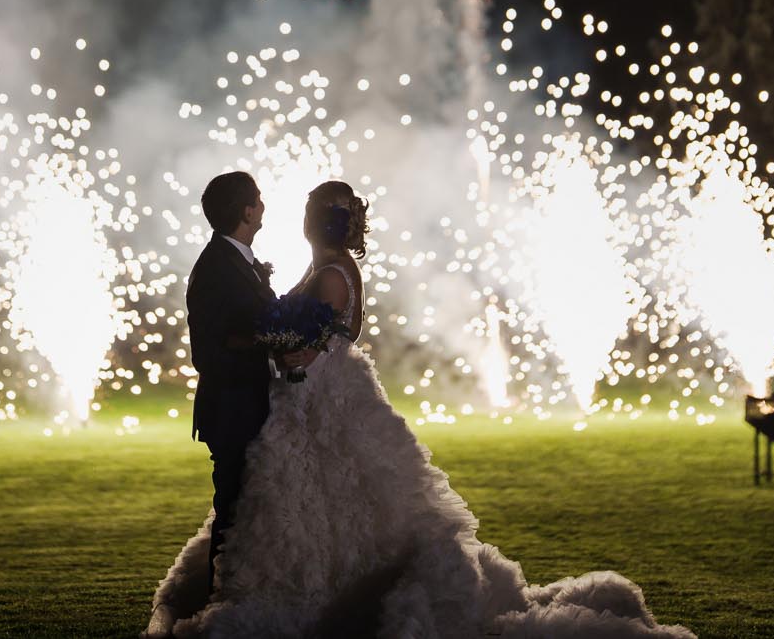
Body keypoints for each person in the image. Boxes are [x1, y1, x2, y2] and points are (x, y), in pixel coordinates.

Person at [148, 180, 693, 639]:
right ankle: (268, 584)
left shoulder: (335, 274)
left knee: (332, 497)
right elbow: (293, 327)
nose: (292, 218)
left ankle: (312, 591)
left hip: (325, 393)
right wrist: (284, 344)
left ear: (321, 224)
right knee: (301, 498)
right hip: (301, 395)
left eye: (309, 215)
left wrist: (298, 347)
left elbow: (322, 334)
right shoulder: (311, 267)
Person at [183, 170, 279, 599]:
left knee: (252, 509)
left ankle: (246, 596)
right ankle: (221, 604)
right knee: (234, 511)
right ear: (245, 210)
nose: (263, 207)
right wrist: (268, 342)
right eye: (258, 200)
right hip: (233, 409)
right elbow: (207, 352)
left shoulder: (239, 261)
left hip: (252, 405)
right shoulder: (215, 267)